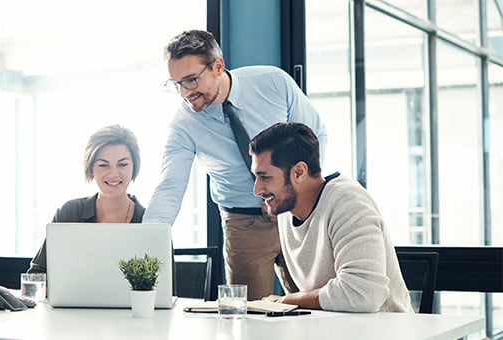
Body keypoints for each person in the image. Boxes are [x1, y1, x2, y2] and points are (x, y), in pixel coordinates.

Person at [143, 30, 328, 300]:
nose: (185, 93)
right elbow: (170, 185)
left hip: (297, 213)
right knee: (249, 314)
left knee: (313, 304)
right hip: (244, 223)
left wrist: (296, 195)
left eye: (191, 80)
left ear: (218, 66)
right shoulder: (183, 124)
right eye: (177, 84)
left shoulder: (273, 83)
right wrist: (149, 238)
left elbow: (315, 136)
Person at [250, 122, 413, 312]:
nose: (257, 190)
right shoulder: (286, 210)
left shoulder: (348, 202)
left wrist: (291, 300)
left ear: (299, 172)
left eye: (264, 177)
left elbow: (364, 294)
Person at [27, 124, 145, 273]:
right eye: (103, 165)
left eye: (122, 164)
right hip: (71, 297)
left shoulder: (149, 221)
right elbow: (38, 274)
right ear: (91, 168)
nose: (114, 173)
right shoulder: (70, 213)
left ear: (134, 167)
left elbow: (165, 287)